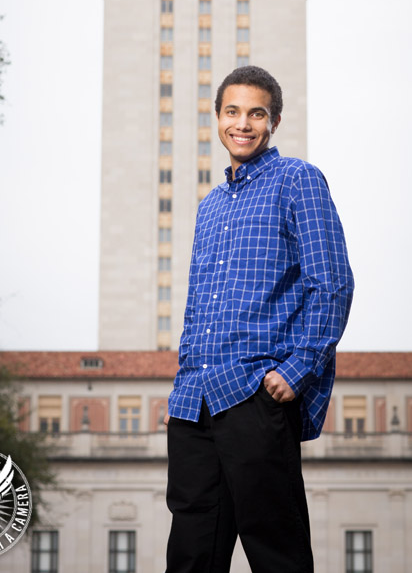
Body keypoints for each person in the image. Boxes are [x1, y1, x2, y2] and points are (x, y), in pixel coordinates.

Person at [164, 65, 354, 573]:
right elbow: (198, 303)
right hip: (193, 402)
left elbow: (332, 283)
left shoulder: (298, 180)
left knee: (277, 553)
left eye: (256, 113)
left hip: (255, 392)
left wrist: (297, 371)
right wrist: (183, 379)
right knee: (190, 556)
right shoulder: (209, 205)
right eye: (232, 111)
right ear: (217, 118)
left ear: (273, 121)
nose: (242, 123)